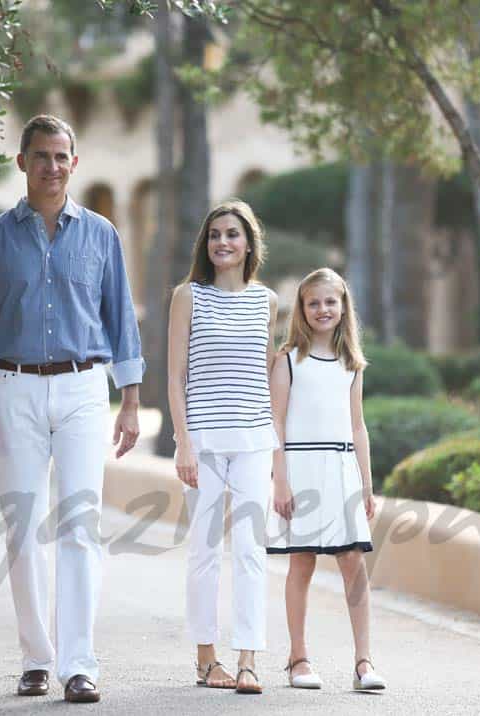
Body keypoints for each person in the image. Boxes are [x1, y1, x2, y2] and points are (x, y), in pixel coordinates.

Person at [0, 114, 143, 704]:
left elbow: (121, 319)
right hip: (13, 389)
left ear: (74, 163)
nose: (52, 167)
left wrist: (131, 399)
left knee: (80, 525)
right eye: (42, 156)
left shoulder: (102, 234)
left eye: (62, 157)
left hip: (86, 389)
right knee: (21, 526)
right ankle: (36, 657)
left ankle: (78, 663)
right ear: (23, 163)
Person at [167, 200, 278, 695]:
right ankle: (207, 659)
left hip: (254, 439)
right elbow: (175, 377)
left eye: (232, 234)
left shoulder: (267, 301)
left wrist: (279, 449)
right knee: (205, 550)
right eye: (214, 235)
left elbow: (265, 375)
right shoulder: (187, 296)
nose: (223, 243)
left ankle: (249, 658)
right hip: (204, 441)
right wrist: (183, 443)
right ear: (205, 244)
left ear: (249, 242)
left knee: (253, 550)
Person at [266, 267, 388, 692]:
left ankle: (364, 662)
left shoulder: (352, 363)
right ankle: (298, 659)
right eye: (313, 302)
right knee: (301, 563)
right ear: (301, 308)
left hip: (341, 473)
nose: (323, 309)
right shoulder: (288, 361)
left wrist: (367, 486)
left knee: (354, 564)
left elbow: (358, 427)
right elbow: (275, 423)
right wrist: (279, 481)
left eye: (330, 302)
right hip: (300, 472)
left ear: (343, 307)